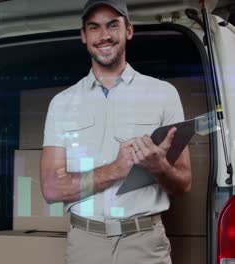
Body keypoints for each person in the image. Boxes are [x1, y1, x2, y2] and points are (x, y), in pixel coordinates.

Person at [40, 0, 192, 263]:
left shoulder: (163, 95)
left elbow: (184, 182)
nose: (104, 36)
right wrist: (116, 169)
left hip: (144, 242)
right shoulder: (62, 104)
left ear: (129, 30)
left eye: (113, 25)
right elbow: (52, 188)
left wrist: (159, 167)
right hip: (85, 243)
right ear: (84, 36)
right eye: (94, 27)